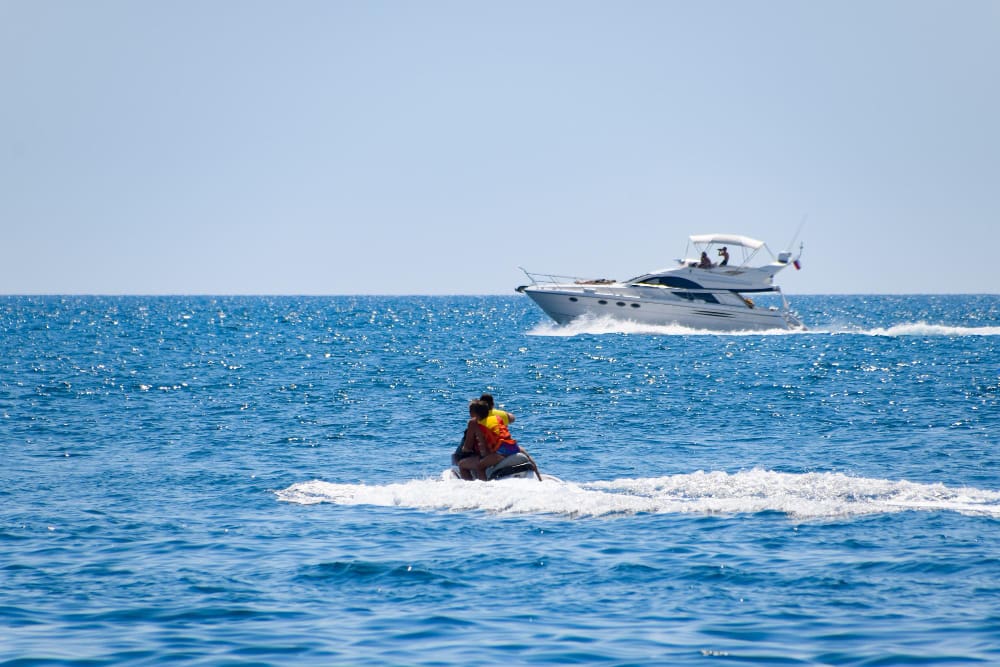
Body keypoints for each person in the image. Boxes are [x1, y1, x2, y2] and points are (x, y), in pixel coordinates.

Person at [456, 400, 520, 481]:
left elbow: (474, 447)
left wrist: (465, 449)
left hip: (500, 453)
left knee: (478, 466)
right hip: (513, 448)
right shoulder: (497, 418)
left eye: (470, 411)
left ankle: (483, 486)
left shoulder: (477, 425)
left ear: (474, 414)